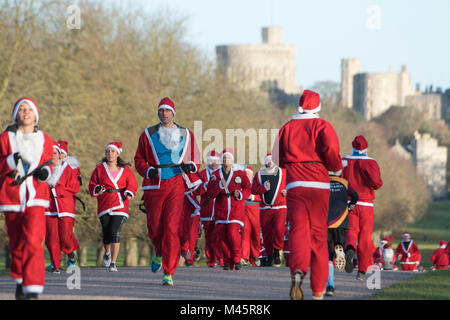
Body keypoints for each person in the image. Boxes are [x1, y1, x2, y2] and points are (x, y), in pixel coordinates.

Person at [274, 90, 342, 300]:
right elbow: (331, 149)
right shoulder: (323, 126)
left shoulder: (287, 127)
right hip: (319, 184)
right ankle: (319, 290)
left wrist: (291, 165)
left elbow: (276, 158)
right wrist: (336, 168)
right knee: (319, 237)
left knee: (298, 231)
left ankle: (298, 269)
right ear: (317, 107)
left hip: (295, 183)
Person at [134, 97, 201, 286]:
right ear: (158, 113)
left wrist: (191, 166)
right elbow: (139, 159)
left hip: (176, 183)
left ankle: (168, 271)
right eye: (161, 111)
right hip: (155, 183)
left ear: (173, 113)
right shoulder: (148, 134)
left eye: (167, 111)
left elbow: (196, 157)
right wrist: (148, 170)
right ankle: (159, 251)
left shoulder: (186, 134)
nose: (164, 114)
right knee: (155, 228)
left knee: (172, 227)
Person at [0, 98, 54, 299]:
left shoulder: (45, 139)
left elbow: (49, 162)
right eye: (21, 109)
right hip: (12, 197)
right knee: (16, 243)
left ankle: (32, 288)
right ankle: (21, 278)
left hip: (36, 197)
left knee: (33, 239)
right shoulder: (5, 139)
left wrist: (46, 172)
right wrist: (9, 162)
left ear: (35, 114)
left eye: (29, 109)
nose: (25, 112)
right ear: (16, 114)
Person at [89, 142, 138, 272]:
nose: (110, 154)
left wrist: (129, 192)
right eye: (108, 151)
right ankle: (107, 253)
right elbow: (92, 184)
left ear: (117, 154)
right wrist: (97, 188)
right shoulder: (99, 169)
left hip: (121, 204)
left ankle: (113, 263)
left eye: (112, 151)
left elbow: (132, 184)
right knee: (106, 234)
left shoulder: (125, 170)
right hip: (105, 203)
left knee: (115, 231)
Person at [342, 135, 383, 280]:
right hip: (366, 203)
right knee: (365, 235)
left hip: (349, 202)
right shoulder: (370, 162)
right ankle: (362, 270)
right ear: (366, 148)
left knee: (351, 231)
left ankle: (350, 248)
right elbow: (377, 183)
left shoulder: (344, 161)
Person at [206, 148, 251, 271]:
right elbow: (210, 193)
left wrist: (240, 194)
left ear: (232, 160)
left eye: (228, 158)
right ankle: (226, 261)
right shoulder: (215, 176)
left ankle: (236, 259)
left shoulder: (239, 174)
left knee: (232, 233)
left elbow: (248, 188)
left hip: (235, 208)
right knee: (222, 237)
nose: (226, 160)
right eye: (224, 158)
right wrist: (220, 186)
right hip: (221, 209)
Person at [45, 141, 81, 273]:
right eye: (50, 153)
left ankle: (70, 252)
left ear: (60, 155)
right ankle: (55, 265)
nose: (52, 156)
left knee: (65, 236)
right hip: (48, 208)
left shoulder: (69, 169)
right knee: (51, 238)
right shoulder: (43, 170)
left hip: (66, 207)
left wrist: (58, 189)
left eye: (54, 153)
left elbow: (76, 187)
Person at [252, 153, 287, 267]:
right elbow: (254, 190)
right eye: (268, 160)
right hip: (265, 208)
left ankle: (277, 252)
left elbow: (291, 184)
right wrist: (264, 188)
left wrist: (287, 191)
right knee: (266, 233)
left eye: (272, 160)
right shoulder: (259, 174)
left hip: (280, 207)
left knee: (278, 229)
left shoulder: (283, 172)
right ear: (265, 162)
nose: (270, 162)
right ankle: (269, 255)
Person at [325, 174, 358, 297]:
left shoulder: (322, 181)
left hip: (326, 220)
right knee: (339, 244)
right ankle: (342, 252)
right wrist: (349, 208)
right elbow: (355, 196)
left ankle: (330, 286)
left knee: (328, 256)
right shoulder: (344, 182)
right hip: (341, 219)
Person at [195, 150, 222, 267]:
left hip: (221, 209)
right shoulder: (201, 175)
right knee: (209, 236)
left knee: (221, 236)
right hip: (207, 209)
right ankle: (211, 259)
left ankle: (221, 258)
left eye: (216, 160)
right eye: (211, 161)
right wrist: (204, 186)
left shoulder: (223, 173)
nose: (214, 163)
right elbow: (196, 192)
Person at [241, 166, 262, 267]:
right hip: (244, 211)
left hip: (255, 211)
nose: (246, 176)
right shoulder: (240, 185)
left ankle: (255, 256)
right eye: (245, 174)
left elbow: (263, 197)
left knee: (255, 234)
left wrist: (253, 197)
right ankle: (244, 257)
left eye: (248, 174)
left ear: (252, 175)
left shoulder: (256, 184)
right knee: (245, 234)